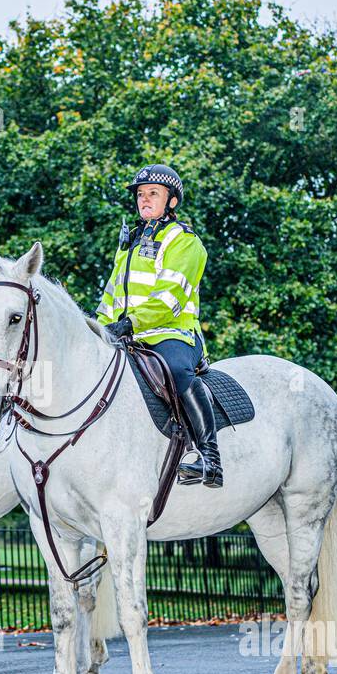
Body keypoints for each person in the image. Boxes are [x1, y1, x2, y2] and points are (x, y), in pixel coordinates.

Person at [97, 164, 220, 486]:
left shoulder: (185, 241)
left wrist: (129, 324)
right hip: (129, 335)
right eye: (140, 194)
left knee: (178, 372)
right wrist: (97, 330)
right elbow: (110, 297)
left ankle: (210, 457)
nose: (145, 200)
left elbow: (171, 296)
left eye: (153, 193)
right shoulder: (130, 244)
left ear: (172, 202)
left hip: (172, 333)